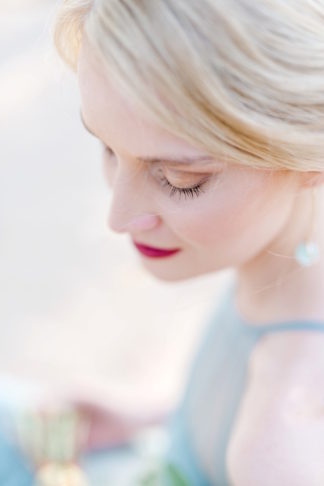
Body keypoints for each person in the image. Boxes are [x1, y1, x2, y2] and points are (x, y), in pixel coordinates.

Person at [53, 1, 324, 484]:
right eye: (108, 148)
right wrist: (153, 416)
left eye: (180, 179)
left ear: (308, 158)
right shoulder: (285, 268)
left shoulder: (277, 446)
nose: (117, 218)